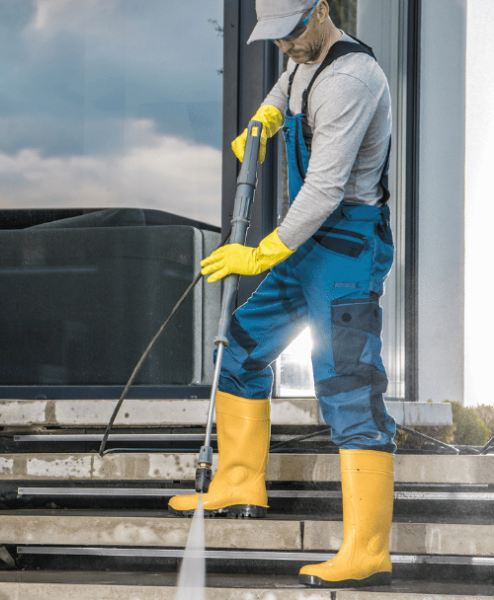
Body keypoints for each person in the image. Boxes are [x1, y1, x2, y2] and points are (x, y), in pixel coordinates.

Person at [167, 0, 397, 589]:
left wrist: (261, 253)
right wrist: (263, 121)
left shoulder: (350, 78)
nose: (285, 47)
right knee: (239, 351)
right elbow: (283, 89)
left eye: (292, 33)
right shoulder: (302, 58)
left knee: (348, 385)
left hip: (344, 249)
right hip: (304, 249)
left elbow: (323, 189)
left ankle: (367, 551)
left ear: (321, 11)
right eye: (274, 39)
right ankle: (239, 482)